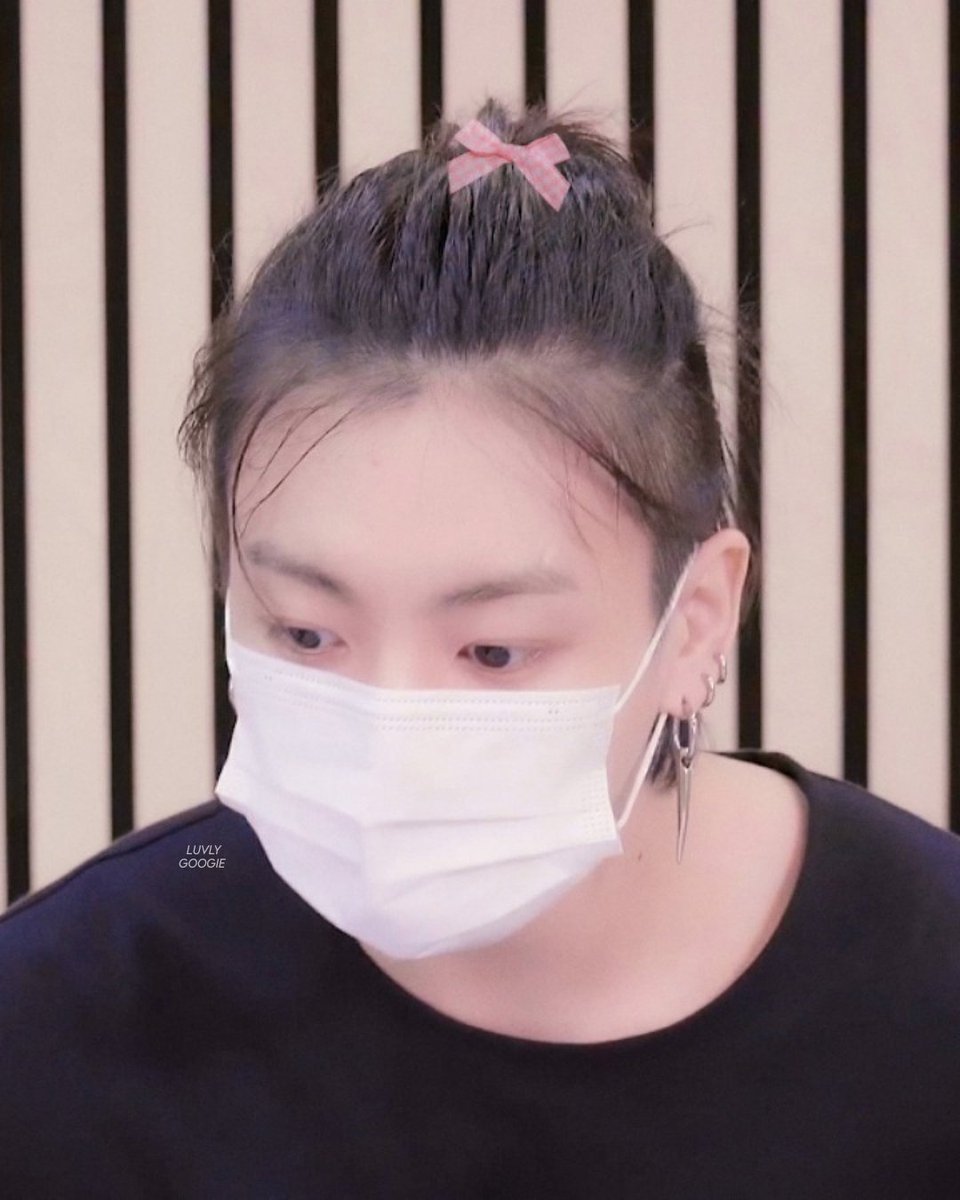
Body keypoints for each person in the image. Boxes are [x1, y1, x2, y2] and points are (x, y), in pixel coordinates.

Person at [1, 97, 959, 1198]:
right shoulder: (61, 1027)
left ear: (697, 617)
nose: (389, 732)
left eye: (493, 652)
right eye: (306, 631)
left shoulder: (930, 998)